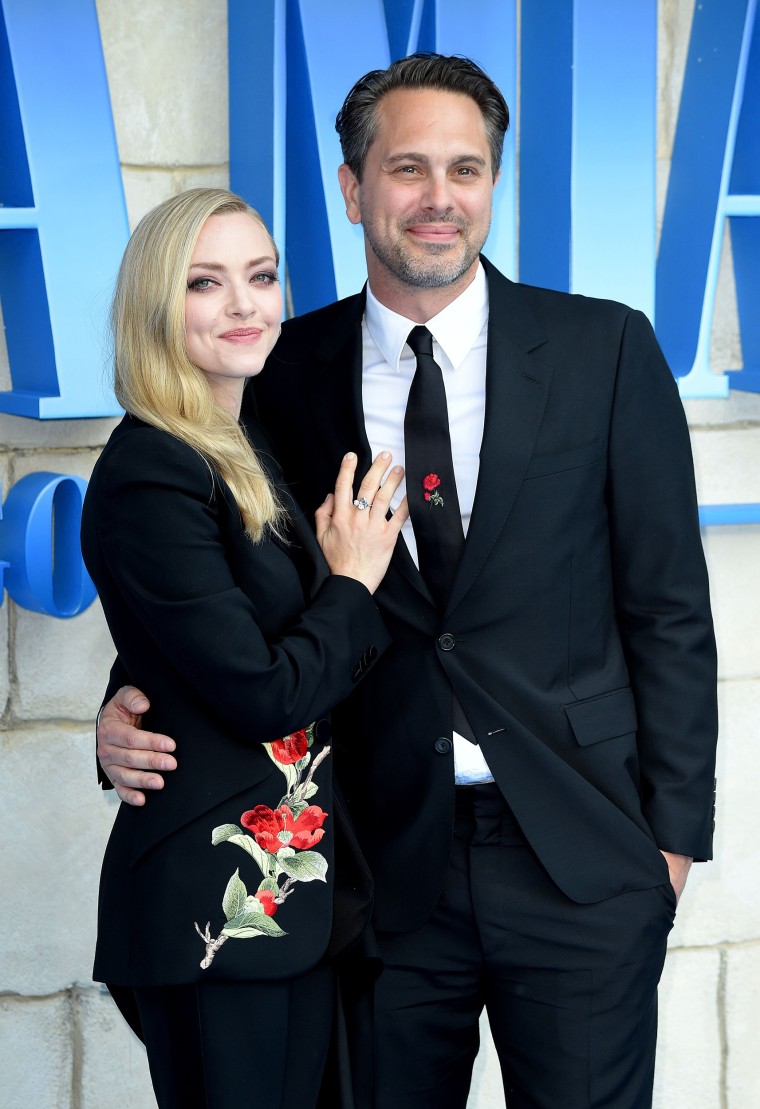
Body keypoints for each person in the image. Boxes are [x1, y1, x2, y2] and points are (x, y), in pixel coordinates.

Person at [96, 55, 718, 1109]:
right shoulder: (277, 367)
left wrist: (667, 843)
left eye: (466, 169)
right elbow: (219, 572)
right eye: (408, 168)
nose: (439, 199)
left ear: (492, 183)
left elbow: (667, 610)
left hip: (578, 858)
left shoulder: (602, 348)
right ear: (353, 187)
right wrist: (121, 708)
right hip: (375, 866)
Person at [81, 187, 409, 1109]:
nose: (244, 304)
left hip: (297, 908)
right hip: (218, 911)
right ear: (157, 305)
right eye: (205, 282)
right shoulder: (155, 467)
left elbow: (194, 641)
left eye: (260, 276)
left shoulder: (233, 441)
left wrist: (126, 694)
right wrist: (350, 580)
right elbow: (261, 690)